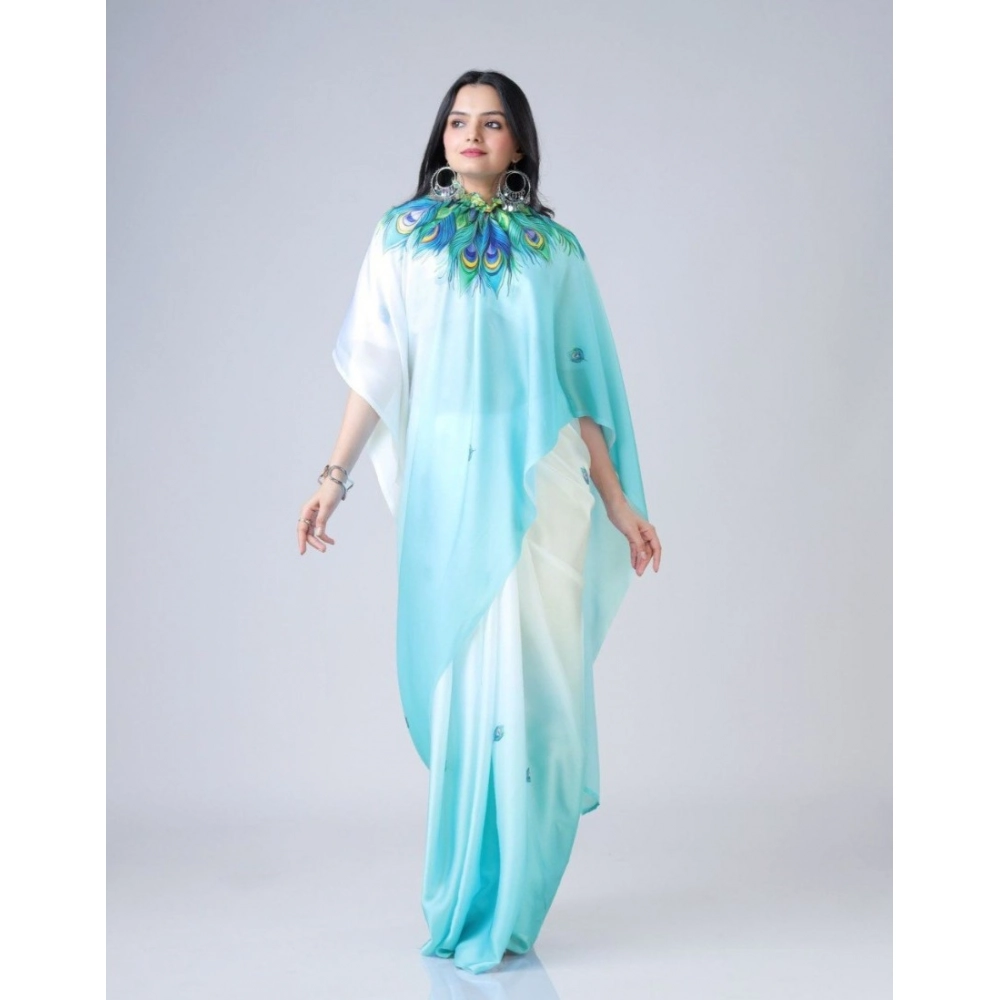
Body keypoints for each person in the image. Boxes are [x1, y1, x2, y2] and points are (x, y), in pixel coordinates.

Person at [296, 69, 661, 974]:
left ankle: (517, 899)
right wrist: (333, 478)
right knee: (468, 690)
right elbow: (376, 370)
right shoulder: (403, 238)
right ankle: (465, 893)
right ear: (442, 135)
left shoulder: (554, 252)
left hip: (542, 496)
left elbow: (580, 385)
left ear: (518, 143)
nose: (471, 134)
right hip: (449, 496)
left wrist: (618, 502)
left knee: (533, 691)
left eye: (491, 123)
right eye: (458, 120)